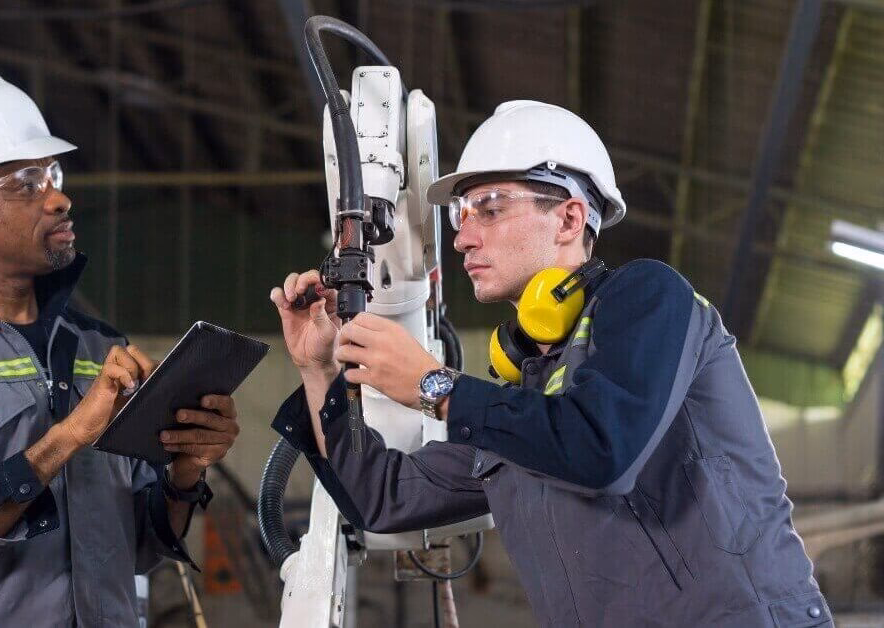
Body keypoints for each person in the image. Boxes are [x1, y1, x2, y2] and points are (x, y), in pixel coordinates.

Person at [268, 100, 830, 626]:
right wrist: (317, 370)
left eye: (488, 208)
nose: (462, 238)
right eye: (462, 215)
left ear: (568, 219)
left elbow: (602, 447)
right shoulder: (519, 404)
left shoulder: (649, 298)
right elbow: (379, 498)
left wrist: (434, 384)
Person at [0, 67, 240, 627]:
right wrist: (65, 439)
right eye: (27, 183)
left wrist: (184, 472)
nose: (59, 199)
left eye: (53, 174)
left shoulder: (100, 345)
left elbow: (140, 550)